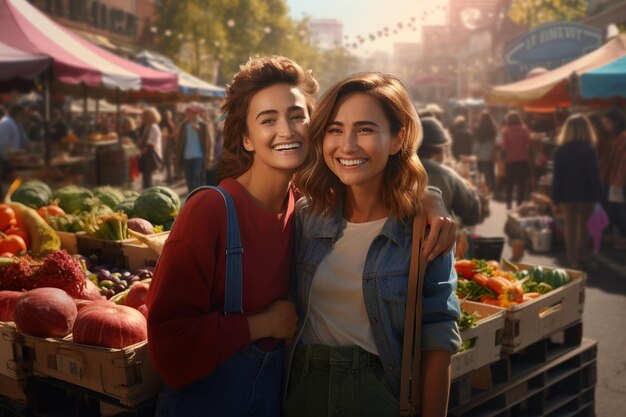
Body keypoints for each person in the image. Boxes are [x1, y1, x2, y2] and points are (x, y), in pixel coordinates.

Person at [147, 57, 457, 417]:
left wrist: (428, 198)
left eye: (297, 116)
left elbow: (438, 332)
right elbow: (169, 348)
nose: (287, 130)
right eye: (268, 120)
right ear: (246, 138)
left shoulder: (303, 209)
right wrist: (261, 325)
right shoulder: (228, 212)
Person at [287, 73, 461, 417]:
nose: (347, 145)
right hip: (302, 392)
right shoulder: (307, 217)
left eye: (365, 129)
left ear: (397, 139)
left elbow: (439, 337)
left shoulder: (423, 230)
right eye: (335, 130)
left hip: (378, 396)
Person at [552, 114, 603, 268]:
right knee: (585, 227)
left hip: (567, 196)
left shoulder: (561, 151)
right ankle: (583, 256)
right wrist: (598, 196)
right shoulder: (589, 149)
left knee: (570, 228)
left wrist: (555, 198)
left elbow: (557, 177)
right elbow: (593, 175)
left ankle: (572, 260)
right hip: (586, 194)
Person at [419, 117, 481, 227]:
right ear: (438, 151)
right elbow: (473, 211)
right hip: (437, 241)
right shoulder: (447, 175)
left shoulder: (393, 170)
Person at [599, 110, 626, 248]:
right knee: (610, 208)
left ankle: (623, 235)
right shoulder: (613, 137)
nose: (605, 125)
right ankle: (616, 234)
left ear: (615, 123)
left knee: (615, 209)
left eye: (607, 122)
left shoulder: (622, 138)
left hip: (617, 179)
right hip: (610, 178)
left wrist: (619, 180)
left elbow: (623, 161)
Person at [500, 110, 531, 210]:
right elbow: (529, 142)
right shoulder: (525, 129)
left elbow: (504, 147)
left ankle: (509, 203)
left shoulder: (505, 131)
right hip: (523, 159)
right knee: (521, 183)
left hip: (510, 160)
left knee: (510, 183)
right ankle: (519, 203)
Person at [176, 106, 211, 193]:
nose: (187, 115)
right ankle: (191, 196)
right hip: (186, 155)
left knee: (196, 176)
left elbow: (208, 142)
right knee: (188, 178)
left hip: (198, 155)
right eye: (186, 113)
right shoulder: (184, 125)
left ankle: (198, 196)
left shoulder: (203, 125)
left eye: (189, 113)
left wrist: (208, 156)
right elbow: (180, 141)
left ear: (195, 114)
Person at [138, 107, 163, 189]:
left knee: (148, 177)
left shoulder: (154, 127)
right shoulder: (148, 126)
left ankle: (149, 191)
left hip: (150, 154)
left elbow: (151, 143)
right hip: (146, 154)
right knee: (146, 176)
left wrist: (143, 151)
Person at [473, 110, 498, 191]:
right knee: (490, 172)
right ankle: (491, 187)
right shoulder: (493, 128)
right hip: (490, 154)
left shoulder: (479, 129)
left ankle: (484, 189)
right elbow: (495, 142)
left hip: (481, 155)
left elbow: (477, 143)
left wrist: (475, 152)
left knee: (482, 173)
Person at [160, 109, 177, 183]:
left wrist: (167, 135)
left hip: (170, 143)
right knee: (168, 161)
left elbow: (172, 134)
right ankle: (169, 177)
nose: (167, 116)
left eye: (168, 115)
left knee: (169, 161)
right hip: (168, 143)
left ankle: (170, 177)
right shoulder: (167, 123)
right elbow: (166, 134)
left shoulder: (169, 123)